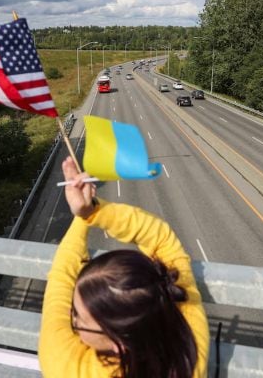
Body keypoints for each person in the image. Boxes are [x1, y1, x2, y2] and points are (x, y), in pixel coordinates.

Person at [38, 156, 209, 378]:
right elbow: (163, 241)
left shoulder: (67, 366)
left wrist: (86, 214)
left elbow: (60, 279)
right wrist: (91, 211)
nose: (71, 319)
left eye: (78, 317)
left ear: (119, 344)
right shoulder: (188, 350)